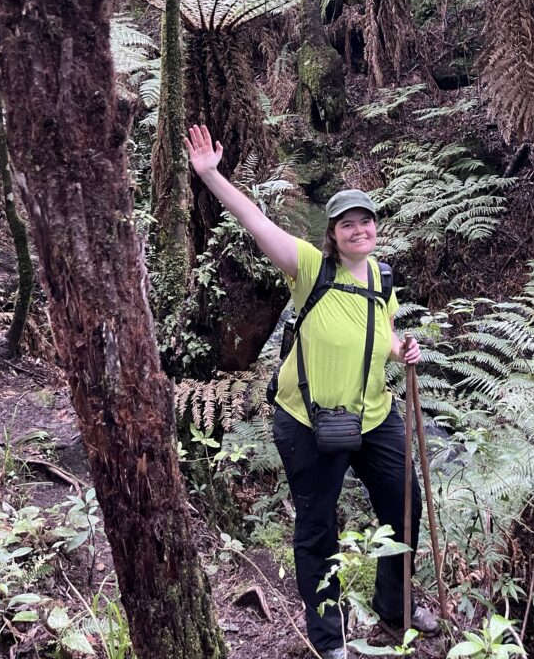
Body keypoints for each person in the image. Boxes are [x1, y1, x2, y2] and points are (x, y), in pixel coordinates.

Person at [185, 124, 439, 659]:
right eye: (348, 223)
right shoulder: (308, 267)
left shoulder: (381, 277)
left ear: (376, 228)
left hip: (375, 418)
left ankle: (395, 606)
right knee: (318, 529)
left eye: (366, 221)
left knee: (404, 508)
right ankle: (330, 639)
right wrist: (211, 175)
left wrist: (402, 349)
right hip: (308, 421)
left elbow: (383, 330)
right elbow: (254, 220)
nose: (359, 229)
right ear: (332, 233)